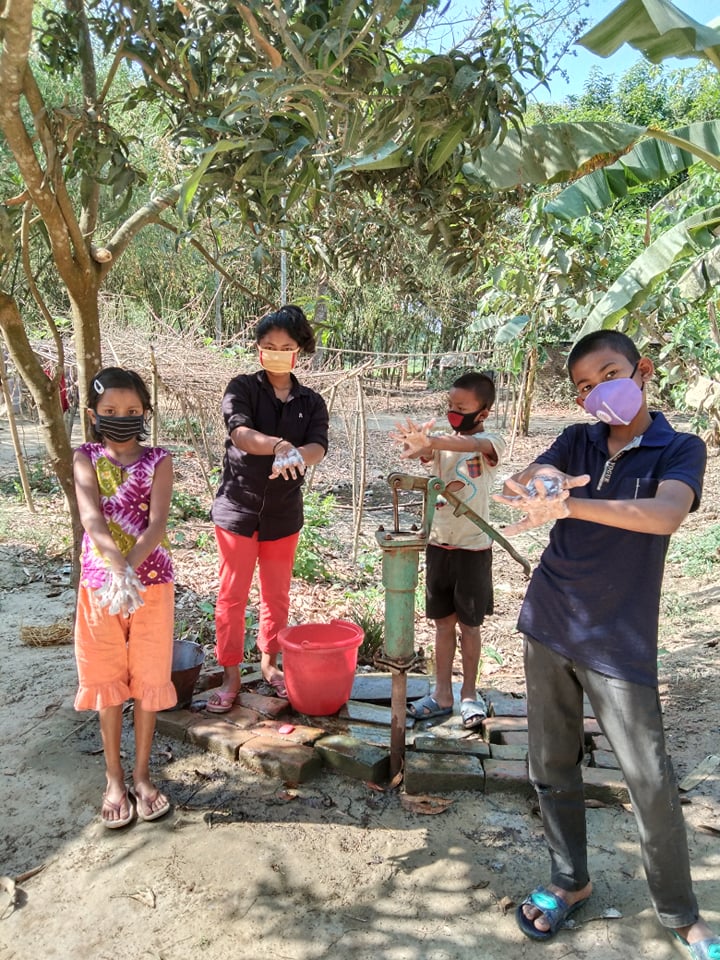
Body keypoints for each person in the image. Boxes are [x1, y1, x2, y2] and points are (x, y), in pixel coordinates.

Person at [493, 331, 719, 958]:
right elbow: (527, 477)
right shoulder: (580, 439)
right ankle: (570, 880)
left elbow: (666, 515)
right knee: (551, 764)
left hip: (619, 637)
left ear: (641, 371)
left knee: (649, 779)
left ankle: (680, 913)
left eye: (608, 375)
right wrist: (536, 482)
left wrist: (572, 506)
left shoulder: (680, 449)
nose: (596, 395)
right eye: (583, 389)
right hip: (551, 620)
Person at [208, 305, 329, 712]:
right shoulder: (241, 387)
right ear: (258, 349)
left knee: (276, 598)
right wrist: (277, 445)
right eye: (269, 346)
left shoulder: (311, 401)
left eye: (286, 346)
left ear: (300, 351)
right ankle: (230, 675)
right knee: (231, 598)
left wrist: (296, 453)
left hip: (283, 515)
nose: (277, 352)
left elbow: (318, 446)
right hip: (237, 511)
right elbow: (240, 434)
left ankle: (270, 666)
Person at [73, 367, 175, 829]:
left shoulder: (159, 460)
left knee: (149, 679)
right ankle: (114, 778)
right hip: (100, 585)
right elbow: (92, 521)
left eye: (132, 411)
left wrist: (131, 566)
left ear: (145, 412)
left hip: (152, 583)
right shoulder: (86, 458)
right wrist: (116, 567)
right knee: (108, 679)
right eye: (110, 411)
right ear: (94, 415)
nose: (121, 418)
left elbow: (156, 526)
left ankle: (142, 775)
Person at [391, 372, 505, 729]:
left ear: (483, 412)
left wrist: (434, 440)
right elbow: (427, 456)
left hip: (473, 549)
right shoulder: (442, 445)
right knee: (443, 624)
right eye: (450, 406)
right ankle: (442, 693)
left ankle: (469, 694)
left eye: (461, 407)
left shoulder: (490, 440)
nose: (454, 412)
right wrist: (420, 447)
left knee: (470, 626)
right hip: (439, 544)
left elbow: (471, 447)